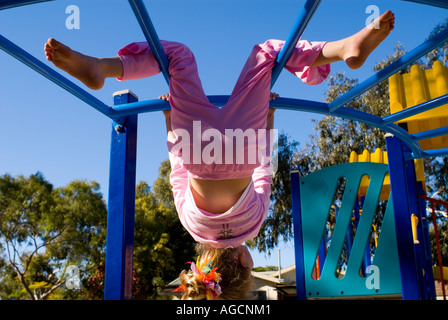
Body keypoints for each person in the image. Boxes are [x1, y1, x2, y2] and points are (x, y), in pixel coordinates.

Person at [44, 10, 395, 300]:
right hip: (196, 145)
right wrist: (170, 121)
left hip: (243, 142)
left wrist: (269, 118)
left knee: (268, 53)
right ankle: (102, 68)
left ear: (244, 260)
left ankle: (342, 47)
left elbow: (264, 170)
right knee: (178, 57)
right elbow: (178, 171)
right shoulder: (191, 224)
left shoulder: (252, 225)